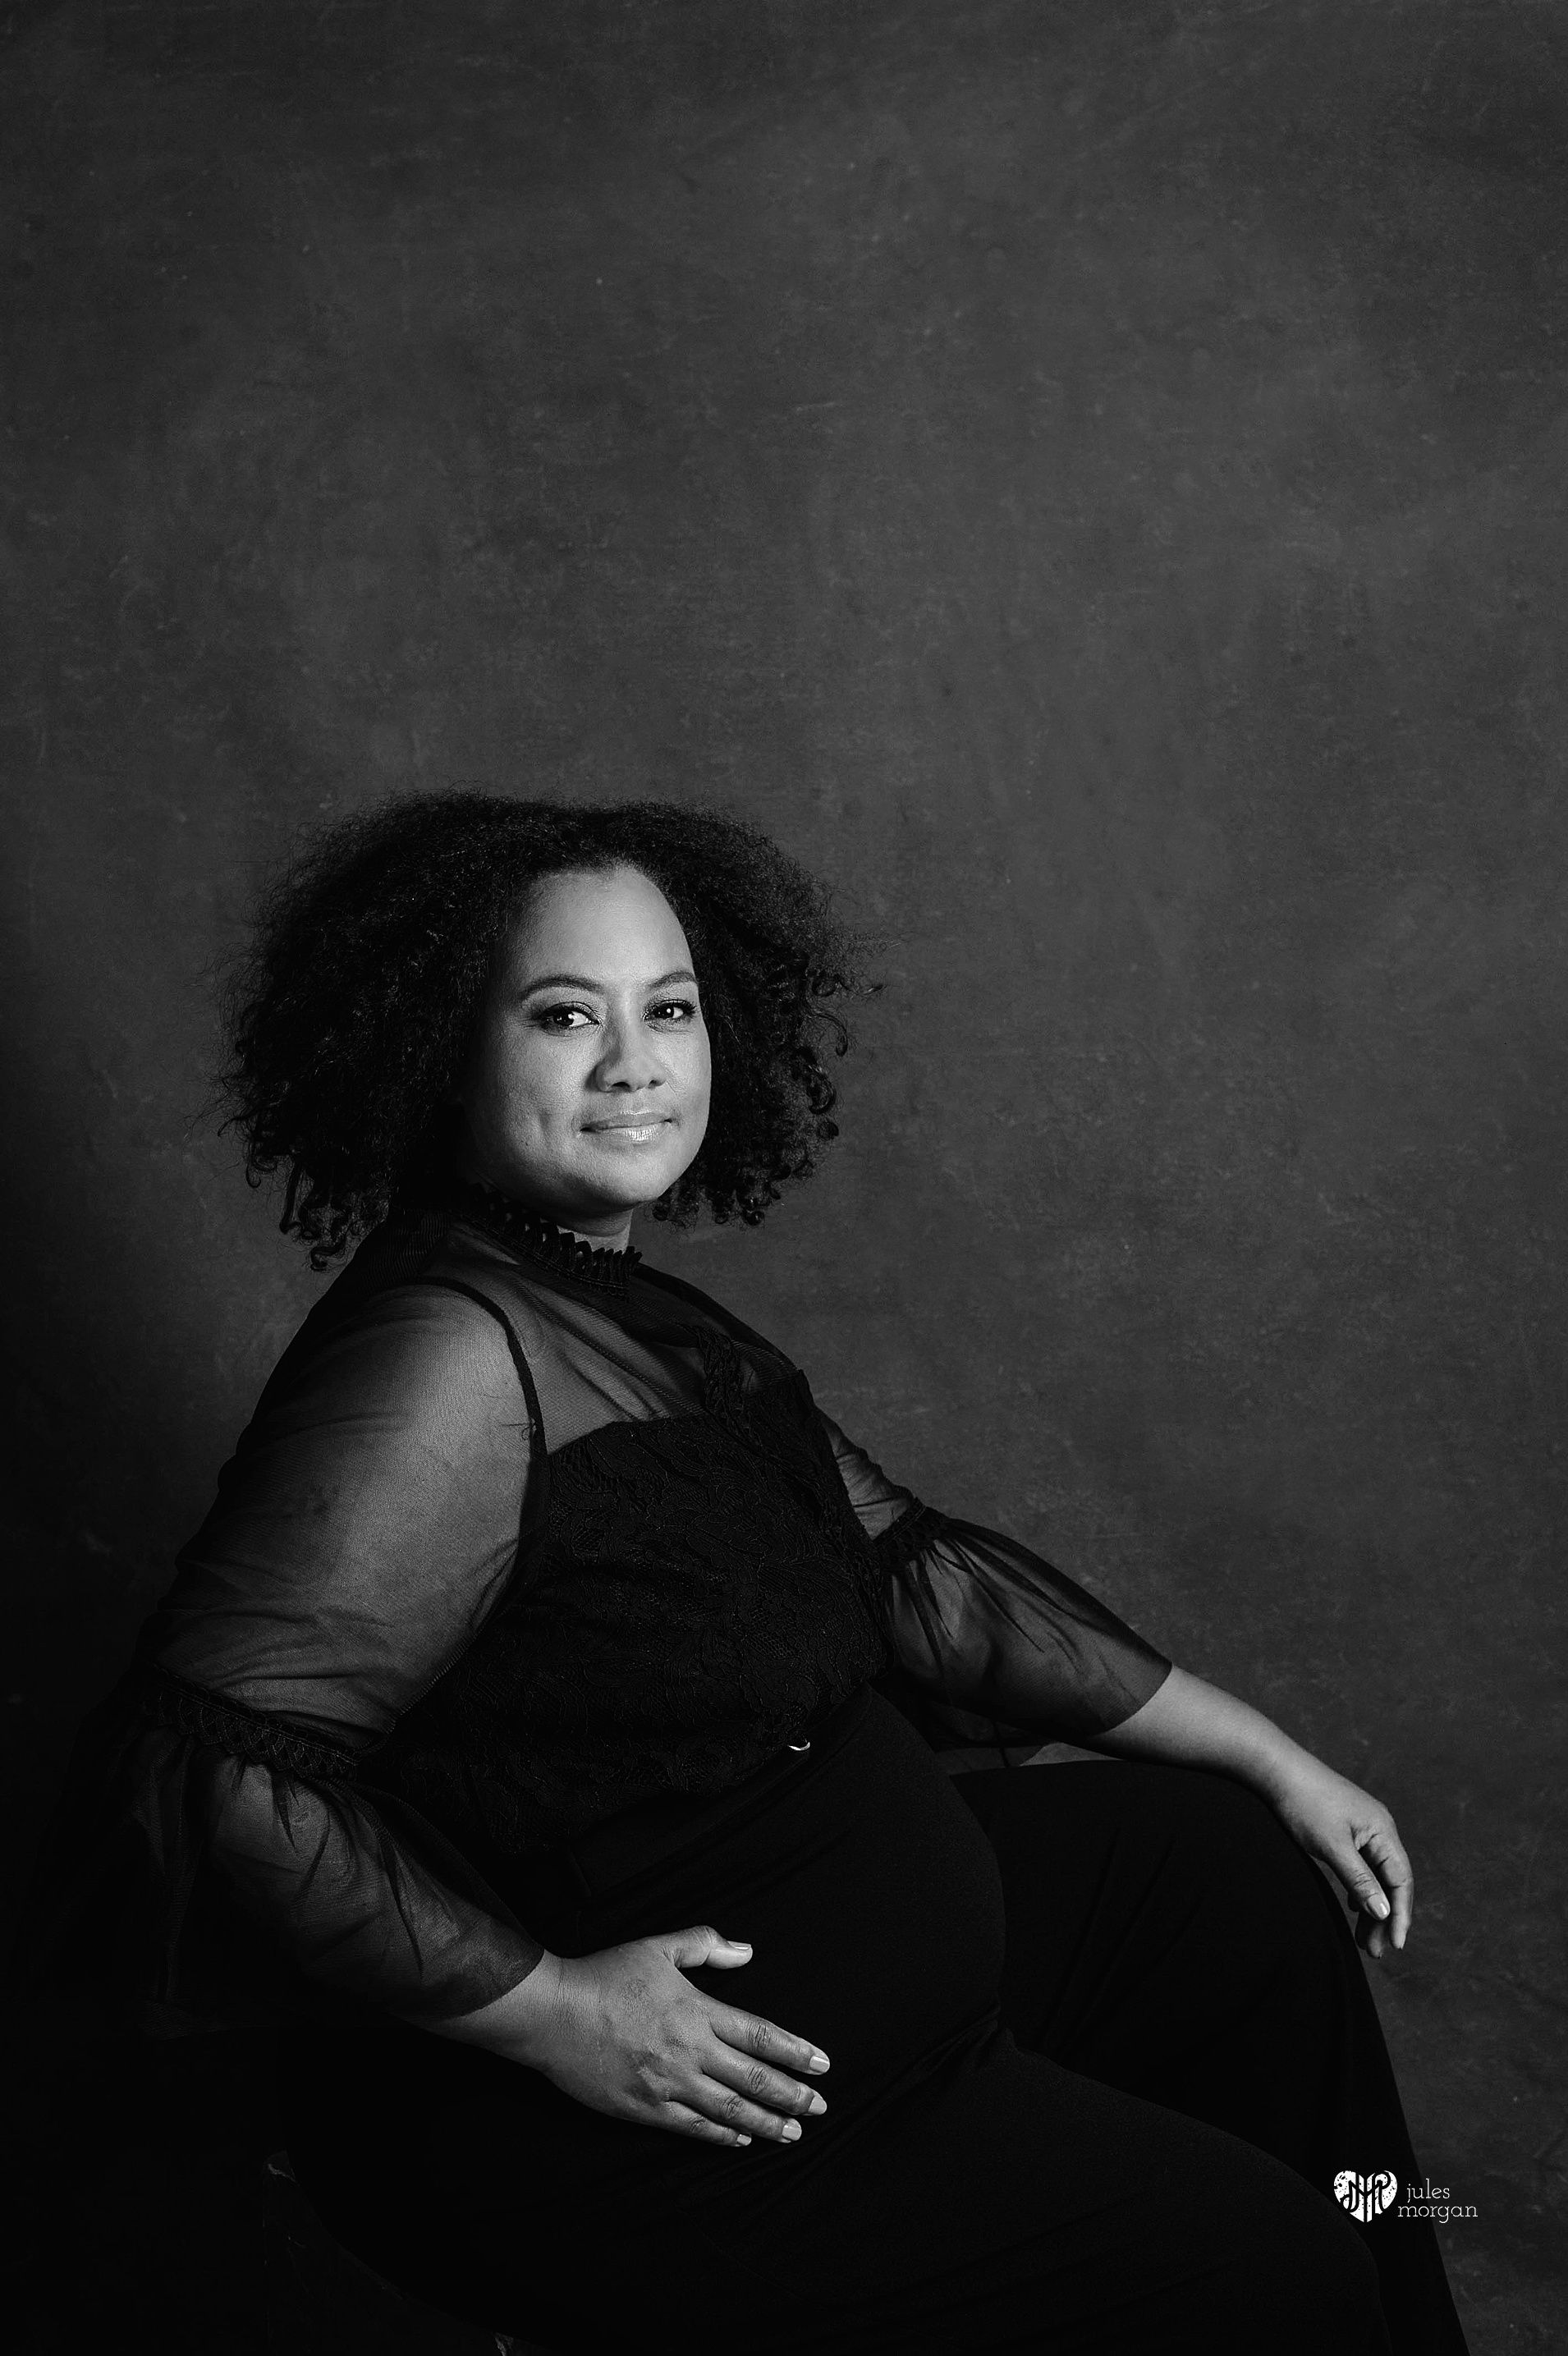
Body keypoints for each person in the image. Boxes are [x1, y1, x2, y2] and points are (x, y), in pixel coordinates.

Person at [13, 795, 1469, 2354]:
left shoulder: (614, 1305)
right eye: (563, 1014)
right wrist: (556, 2012)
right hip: (637, 2125)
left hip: (829, 1979)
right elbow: (221, 1770)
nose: (632, 1063)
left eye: (669, 1009)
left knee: (1223, 1875)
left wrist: (1274, 1756)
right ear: (441, 1049)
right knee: (1271, 2270)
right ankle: (1325, 2279)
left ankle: (1388, 2275)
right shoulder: (449, 1353)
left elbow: (913, 1577)